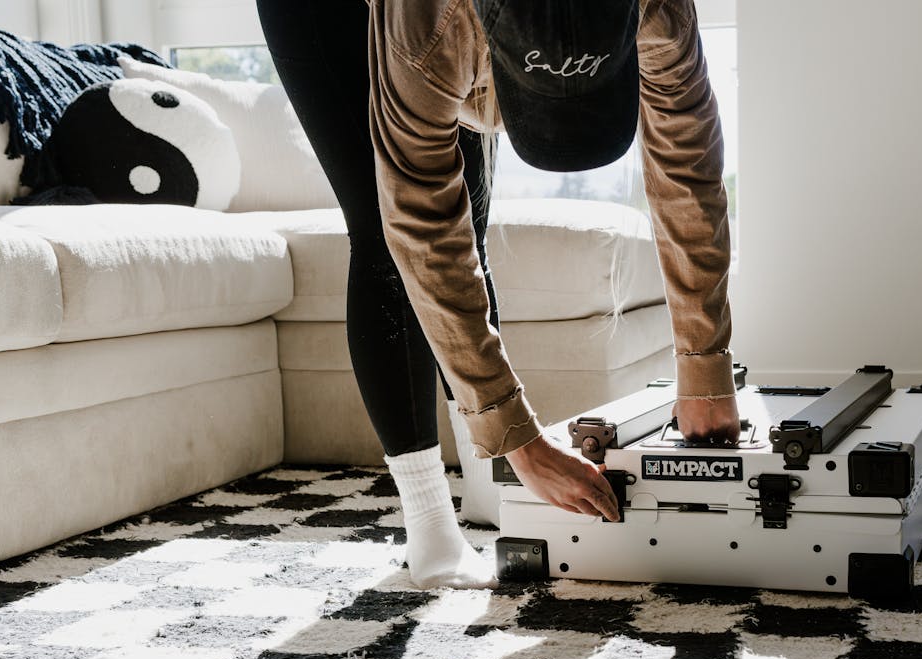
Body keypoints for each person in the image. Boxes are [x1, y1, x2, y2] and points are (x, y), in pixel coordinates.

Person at [257, 0, 738, 589]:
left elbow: (688, 171)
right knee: (383, 233)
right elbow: (424, 227)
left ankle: (487, 487)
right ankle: (431, 524)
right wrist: (522, 441)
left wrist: (704, 366)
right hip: (333, 15)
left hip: (472, 32)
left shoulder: (658, 11)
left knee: (473, 230)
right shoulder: (434, 28)